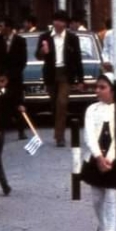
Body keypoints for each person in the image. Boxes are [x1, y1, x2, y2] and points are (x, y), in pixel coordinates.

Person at [79, 73, 116, 231]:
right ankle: (102, 225)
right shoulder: (92, 109)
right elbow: (88, 135)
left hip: (113, 160)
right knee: (96, 198)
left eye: (102, 87)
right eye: (97, 87)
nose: (98, 91)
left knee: (111, 196)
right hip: (95, 158)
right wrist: (98, 157)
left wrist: (108, 159)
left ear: (112, 90)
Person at [35, 10, 84, 147]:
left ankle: (59, 136)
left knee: (62, 103)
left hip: (65, 74)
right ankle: (58, 129)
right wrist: (42, 51)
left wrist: (80, 80)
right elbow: (38, 56)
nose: (58, 23)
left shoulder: (72, 38)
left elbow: (77, 59)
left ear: (66, 23)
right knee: (54, 104)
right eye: (56, 20)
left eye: (61, 21)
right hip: (51, 73)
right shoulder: (45, 37)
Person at [0, 17, 28, 140]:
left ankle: (21, 129)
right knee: (1, 104)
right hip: (0, 78)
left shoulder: (20, 41)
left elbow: (22, 61)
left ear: (9, 27)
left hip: (14, 78)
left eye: (2, 26)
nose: (0, 28)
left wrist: (9, 76)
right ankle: (1, 129)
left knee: (18, 103)